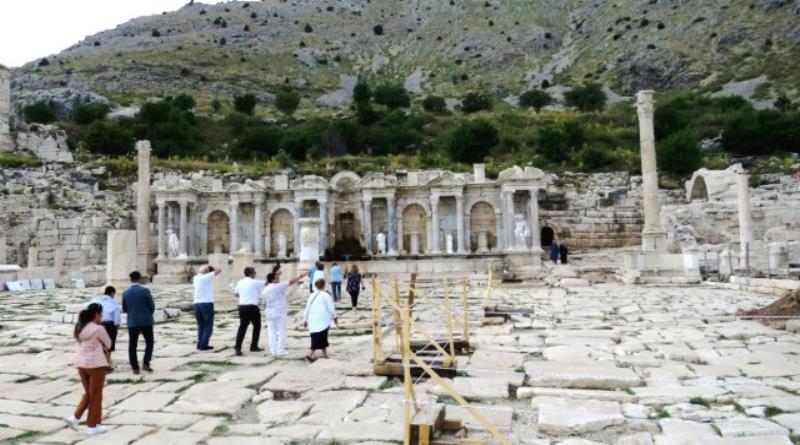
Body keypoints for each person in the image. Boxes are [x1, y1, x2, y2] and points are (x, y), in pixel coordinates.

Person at [66, 303, 111, 435]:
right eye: (101, 314)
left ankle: (75, 418)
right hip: (96, 365)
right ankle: (92, 426)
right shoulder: (98, 329)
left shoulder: (80, 328)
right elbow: (109, 344)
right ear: (96, 315)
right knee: (96, 396)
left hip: (81, 364)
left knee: (90, 394)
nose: (102, 317)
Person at [263, 267, 306, 357]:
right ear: (273, 279)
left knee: (271, 332)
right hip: (279, 311)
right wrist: (301, 276)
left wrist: (276, 274)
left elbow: (265, 302)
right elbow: (290, 282)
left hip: (269, 312)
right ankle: (280, 351)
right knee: (282, 331)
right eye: (277, 277)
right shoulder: (278, 286)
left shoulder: (265, 289)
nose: (279, 278)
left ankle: (273, 351)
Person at [122, 271, 155, 374]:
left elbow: (124, 308)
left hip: (133, 321)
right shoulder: (145, 291)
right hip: (146, 320)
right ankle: (146, 363)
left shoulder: (126, 293)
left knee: (132, 345)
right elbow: (152, 306)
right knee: (149, 342)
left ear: (130, 279)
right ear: (140, 279)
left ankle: (135, 367)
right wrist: (148, 314)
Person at [303, 277, 338, 361]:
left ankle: (324, 353)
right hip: (323, 318)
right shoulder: (326, 295)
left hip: (313, 318)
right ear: (324, 285)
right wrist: (334, 316)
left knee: (320, 337)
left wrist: (305, 319)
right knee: (321, 336)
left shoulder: (312, 295)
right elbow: (330, 307)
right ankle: (310, 353)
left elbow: (307, 307)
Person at [87, 286, 121, 371]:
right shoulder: (113, 303)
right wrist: (116, 327)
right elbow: (117, 319)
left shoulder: (96, 300)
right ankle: (106, 365)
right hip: (109, 325)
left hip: (97, 324)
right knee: (109, 345)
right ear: (112, 293)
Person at [233, 266, 264, 356]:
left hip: (242, 307)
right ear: (250, 274)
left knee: (242, 327)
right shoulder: (255, 282)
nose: (255, 274)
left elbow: (236, 294)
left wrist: (244, 297)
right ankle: (254, 346)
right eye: (254, 272)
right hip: (252, 307)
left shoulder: (240, 282)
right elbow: (267, 281)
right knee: (257, 326)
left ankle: (237, 347)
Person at [193, 265, 221, 351]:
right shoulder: (207, 277)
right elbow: (218, 269)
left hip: (196, 303)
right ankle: (204, 344)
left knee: (200, 324)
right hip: (206, 303)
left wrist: (205, 268)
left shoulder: (196, 278)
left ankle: (199, 343)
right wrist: (210, 266)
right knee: (208, 325)